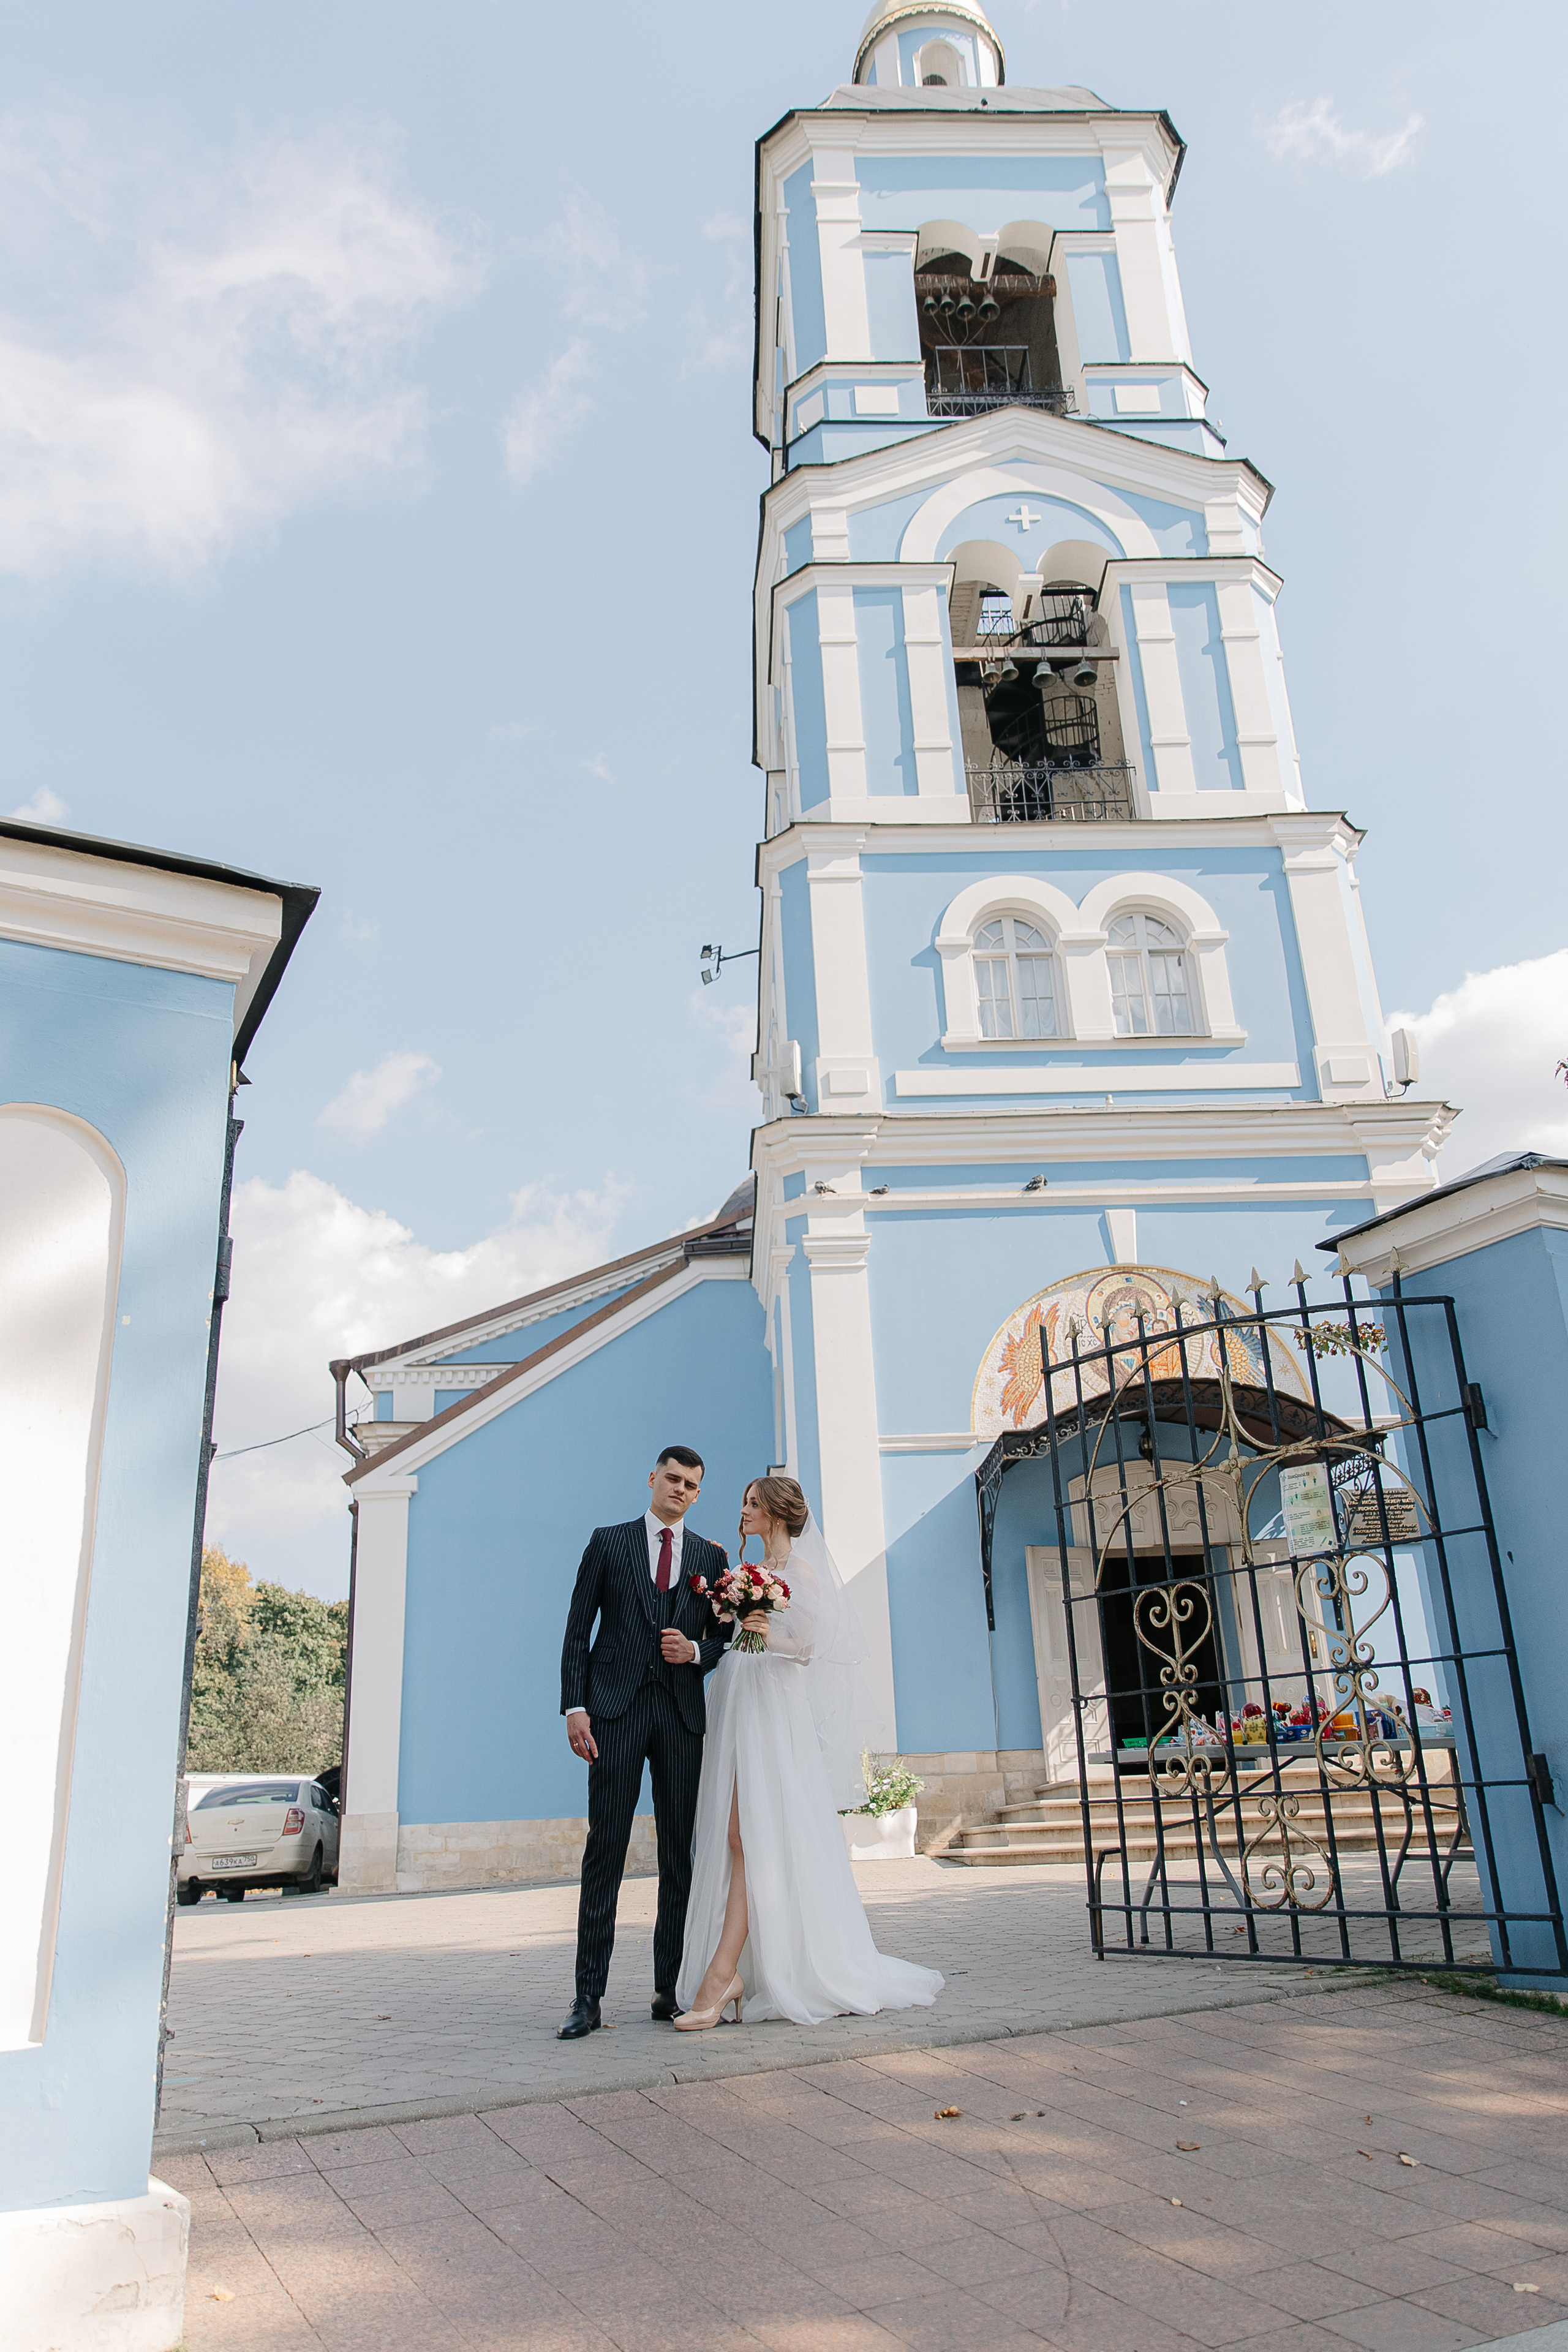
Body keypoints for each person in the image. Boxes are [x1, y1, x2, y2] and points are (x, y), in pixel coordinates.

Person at [674, 1473, 943, 2029]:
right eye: (745, 1502)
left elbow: (817, 1647)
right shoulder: (748, 1575)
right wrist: (733, 1623)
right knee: (733, 1836)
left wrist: (764, 1632)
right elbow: (735, 1637)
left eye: (752, 1504)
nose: (743, 1511)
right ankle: (739, 1970)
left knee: (750, 1834)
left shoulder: (802, 1573)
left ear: (775, 1513)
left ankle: (724, 1976)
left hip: (773, 1704)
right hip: (738, 1697)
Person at [556, 1446, 732, 2040]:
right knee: (605, 1848)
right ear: (652, 1479)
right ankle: (587, 1998)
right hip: (613, 1713)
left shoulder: (712, 1556)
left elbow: (728, 1638)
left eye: (691, 1485)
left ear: (698, 1495)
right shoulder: (609, 1543)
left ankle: (669, 1989)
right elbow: (578, 1629)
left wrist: (698, 1651)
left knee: (678, 1853)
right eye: (672, 1479)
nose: (679, 1490)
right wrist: (574, 1707)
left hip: (681, 1716)